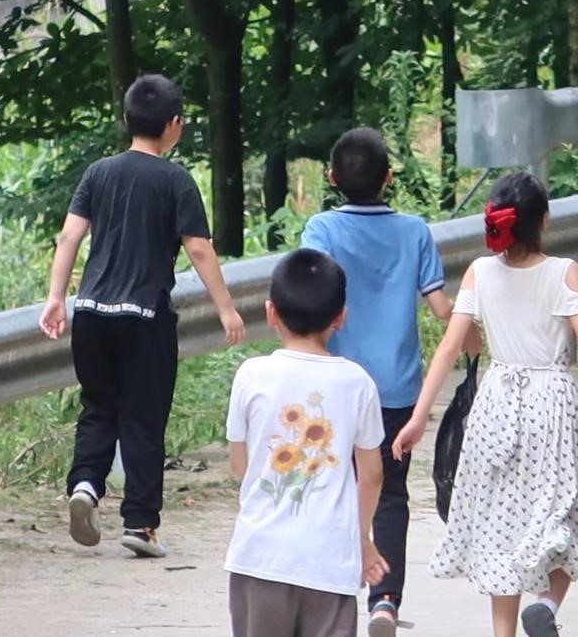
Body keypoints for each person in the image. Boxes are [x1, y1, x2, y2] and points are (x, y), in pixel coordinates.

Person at [390, 172, 578, 637]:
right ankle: (546, 605)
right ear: (543, 220)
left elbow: (449, 348)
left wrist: (418, 417)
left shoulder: (479, 271)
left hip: (496, 403)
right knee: (562, 519)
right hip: (551, 404)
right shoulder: (563, 272)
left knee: (500, 529)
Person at [38, 74, 245, 558]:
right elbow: (198, 248)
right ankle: (140, 523)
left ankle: (86, 485)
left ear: (126, 118)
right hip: (144, 316)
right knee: (143, 418)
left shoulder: (98, 173)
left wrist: (56, 297)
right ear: (174, 124)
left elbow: (69, 237)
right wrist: (227, 309)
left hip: (91, 311)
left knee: (98, 406)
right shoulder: (175, 180)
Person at [301, 127, 479, 635]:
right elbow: (441, 306)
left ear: (331, 178)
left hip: (333, 386)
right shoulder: (415, 231)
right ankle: (384, 601)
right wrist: (473, 338)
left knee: (329, 486)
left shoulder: (320, 229)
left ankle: (330, 593)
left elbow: (309, 296)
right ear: (389, 178)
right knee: (391, 493)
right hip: (397, 389)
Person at [224, 248, 389, 637]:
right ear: (340, 317)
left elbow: (240, 463)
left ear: (271, 312)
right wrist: (361, 539)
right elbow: (371, 476)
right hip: (329, 563)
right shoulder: (358, 383)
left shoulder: (251, 375)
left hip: (259, 556)